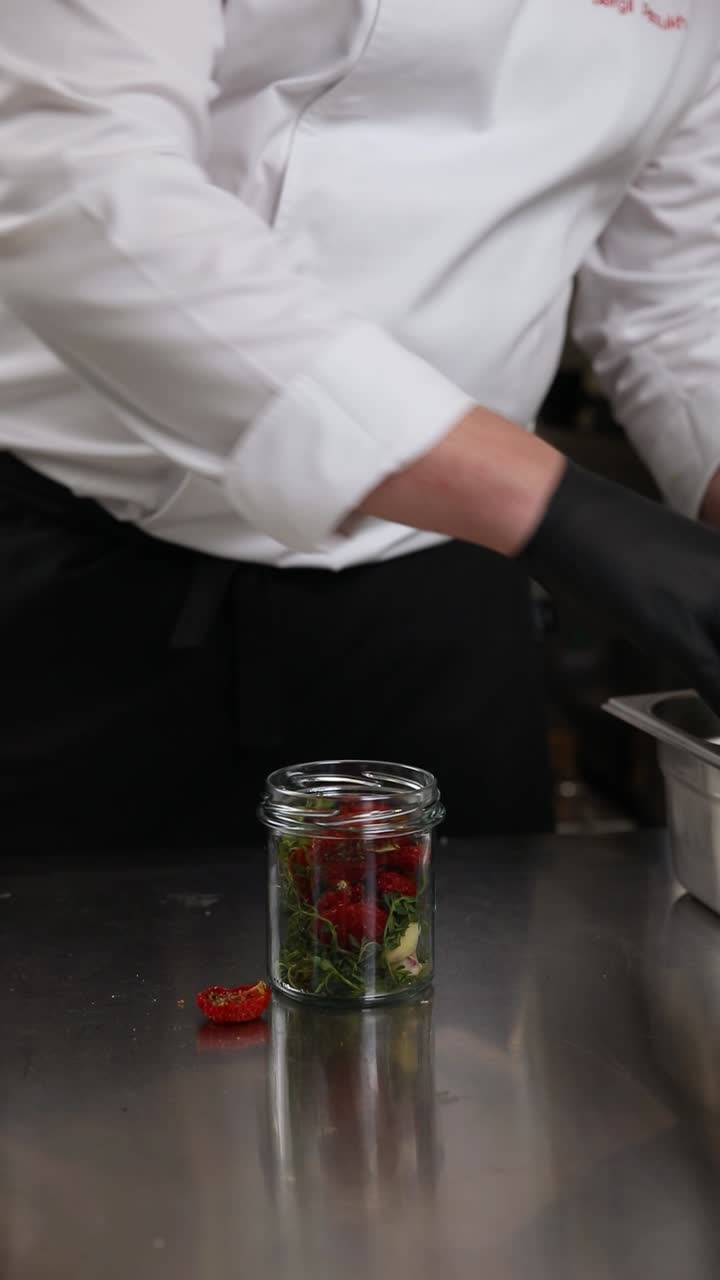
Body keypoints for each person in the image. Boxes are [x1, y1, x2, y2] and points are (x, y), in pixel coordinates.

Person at [1, 1, 720, 851]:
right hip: (71, 574)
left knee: (468, 932)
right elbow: (72, 179)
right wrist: (562, 511)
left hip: (442, 602)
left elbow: (675, 295)